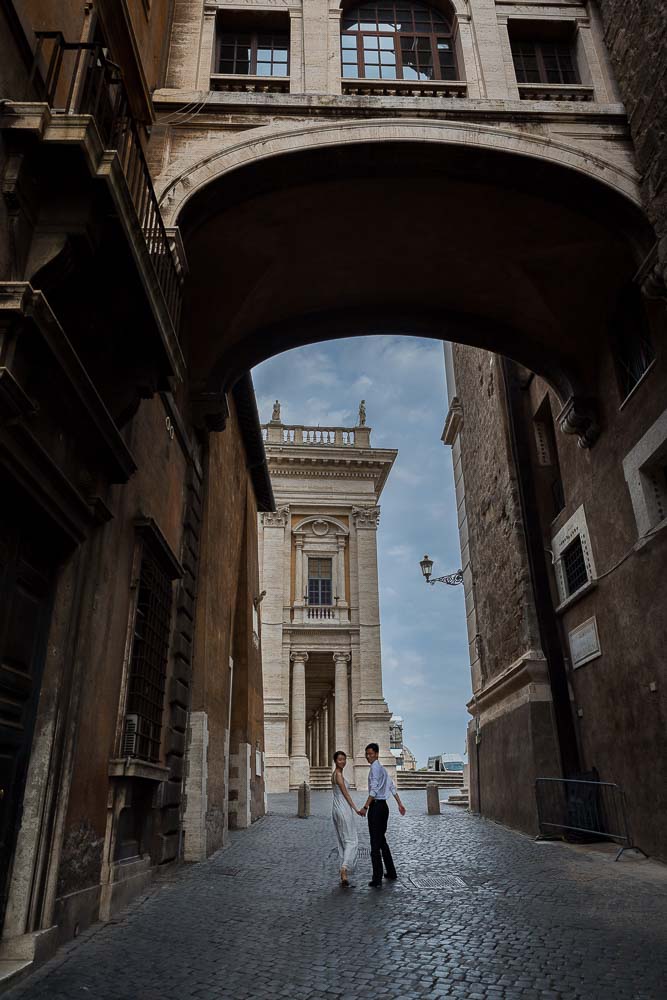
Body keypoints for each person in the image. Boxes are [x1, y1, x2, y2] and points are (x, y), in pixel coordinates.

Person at [359, 742, 406, 888]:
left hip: (376, 807)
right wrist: (399, 803)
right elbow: (392, 786)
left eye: (371, 754)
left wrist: (365, 807)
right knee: (382, 841)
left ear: (377, 754)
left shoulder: (375, 769)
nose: (368, 756)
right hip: (384, 807)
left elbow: (373, 791)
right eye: (367, 754)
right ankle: (391, 871)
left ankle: (377, 878)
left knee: (375, 843)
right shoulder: (382, 769)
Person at [331, 750, 363, 887]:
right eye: (340, 759)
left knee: (343, 840)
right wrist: (356, 809)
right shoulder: (338, 775)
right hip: (343, 809)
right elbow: (346, 795)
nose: (343, 761)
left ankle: (344, 870)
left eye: (344, 759)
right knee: (351, 840)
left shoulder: (335, 774)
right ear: (335, 761)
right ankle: (344, 869)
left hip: (336, 808)